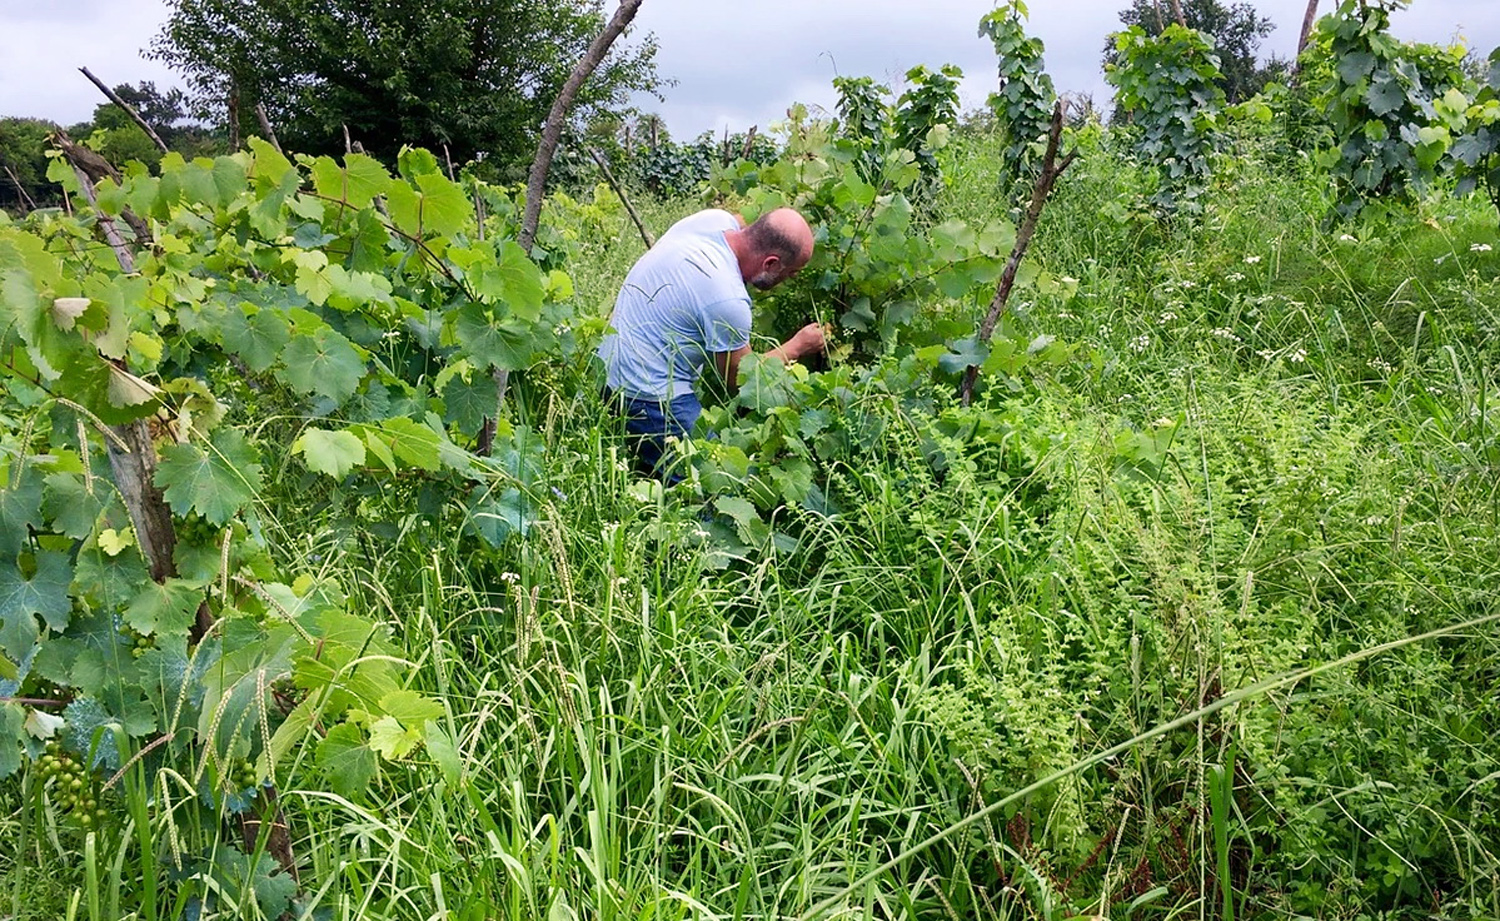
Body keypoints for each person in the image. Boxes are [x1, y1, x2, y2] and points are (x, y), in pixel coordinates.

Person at [598, 207, 827, 477]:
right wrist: (798, 345)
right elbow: (741, 380)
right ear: (771, 264)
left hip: (607, 370)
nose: (791, 280)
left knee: (655, 469)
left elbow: (740, 220)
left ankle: (648, 468)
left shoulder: (711, 221)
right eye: (791, 273)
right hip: (648, 397)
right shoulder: (727, 300)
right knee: (717, 479)